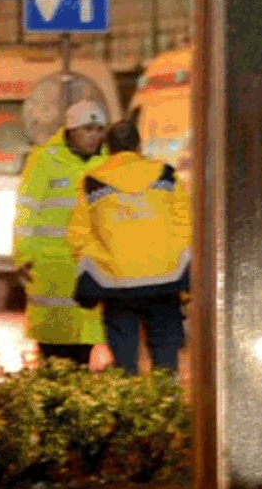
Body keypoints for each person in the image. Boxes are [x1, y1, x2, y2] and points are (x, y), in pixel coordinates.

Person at [66, 120, 190, 376]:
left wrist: (101, 265)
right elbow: (186, 226)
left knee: (125, 365)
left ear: (108, 148)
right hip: (164, 282)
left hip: (116, 285)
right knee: (166, 363)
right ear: (138, 145)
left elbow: (79, 235)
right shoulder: (166, 175)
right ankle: (167, 411)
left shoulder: (92, 180)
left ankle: (129, 411)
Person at [14, 101, 110, 367]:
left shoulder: (107, 162)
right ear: (70, 130)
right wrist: (23, 254)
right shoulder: (45, 159)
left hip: (89, 269)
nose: (95, 135)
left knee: (83, 355)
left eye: (100, 129)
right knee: (52, 356)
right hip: (50, 270)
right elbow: (26, 211)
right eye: (88, 129)